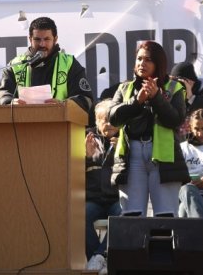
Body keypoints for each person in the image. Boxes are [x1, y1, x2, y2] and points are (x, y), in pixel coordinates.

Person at [109, 40, 189, 218]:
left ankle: (163, 247)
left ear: (158, 64)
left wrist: (156, 98)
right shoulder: (124, 88)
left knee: (165, 217)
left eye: (148, 60)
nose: (141, 64)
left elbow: (175, 120)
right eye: (139, 59)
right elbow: (113, 118)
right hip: (132, 156)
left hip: (163, 158)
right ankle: (134, 247)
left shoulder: (175, 87)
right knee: (132, 216)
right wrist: (137, 101)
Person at [0, 16, 93, 112]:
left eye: (46, 39)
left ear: (55, 39)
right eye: (37, 39)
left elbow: (86, 99)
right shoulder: (16, 65)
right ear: (30, 39)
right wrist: (10, 102)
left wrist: (63, 105)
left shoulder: (69, 63)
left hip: (60, 126)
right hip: (22, 125)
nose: (42, 44)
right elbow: (1, 94)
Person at [84, 99, 121, 275]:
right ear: (96, 122)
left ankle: (101, 256)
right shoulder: (85, 139)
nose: (108, 123)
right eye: (103, 119)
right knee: (79, 215)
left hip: (116, 199)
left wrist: (123, 153)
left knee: (124, 213)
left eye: (111, 118)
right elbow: (70, 171)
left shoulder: (127, 140)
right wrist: (84, 156)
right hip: (94, 199)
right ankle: (96, 261)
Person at [170, 61, 203, 141]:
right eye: (174, 82)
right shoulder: (172, 97)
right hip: (179, 147)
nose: (177, 86)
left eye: (180, 82)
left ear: (191, 81)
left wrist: (192, 98)